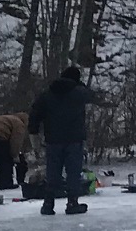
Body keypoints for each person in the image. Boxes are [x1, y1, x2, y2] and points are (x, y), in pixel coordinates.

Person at [28, 64, 97, 215]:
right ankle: (72, 203)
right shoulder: (79, 93)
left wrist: (34, 133)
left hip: (53, 140)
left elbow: (34, 115)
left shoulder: (47, 94)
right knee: (73, 172)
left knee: (52, 172)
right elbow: (93, 96)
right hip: (74, 140)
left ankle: (48, 204)